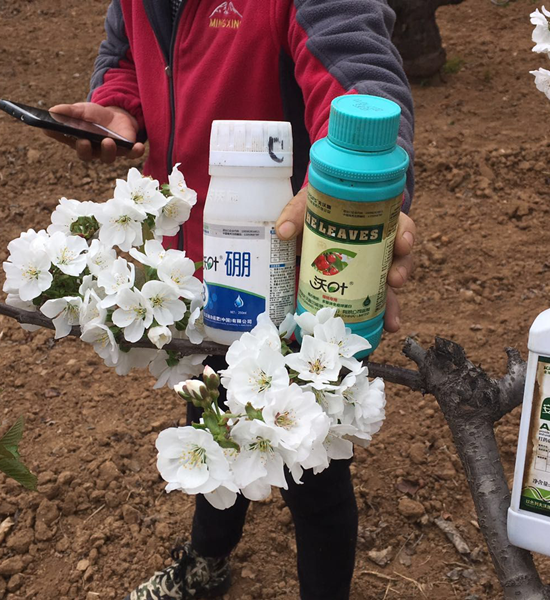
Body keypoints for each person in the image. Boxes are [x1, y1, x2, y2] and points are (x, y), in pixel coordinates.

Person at [45, 1, 416, 599]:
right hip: (198, 270)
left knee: (312, 466)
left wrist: (363, 194)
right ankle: (208, 560)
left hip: (296, 278)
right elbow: (125, 62)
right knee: (209, 420)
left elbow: (361, 77)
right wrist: (119, 108)